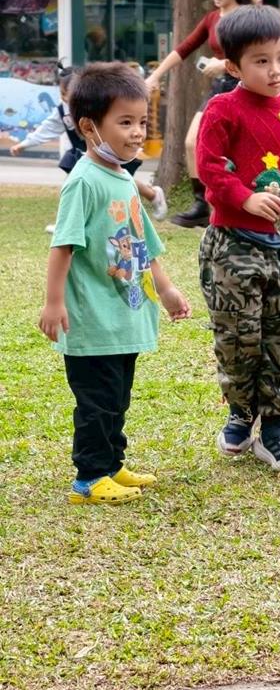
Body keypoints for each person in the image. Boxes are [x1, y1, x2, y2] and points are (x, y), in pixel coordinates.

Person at [37, 62, 191, 505]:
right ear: (89, 127)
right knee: (97, 403)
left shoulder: (122, 177)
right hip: (92, 323)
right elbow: (62, 246)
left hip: (123, 317)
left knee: (117, 399)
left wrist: (166, 290)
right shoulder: (83, 182)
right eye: (125, 122)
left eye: (142, 121)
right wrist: (53, 303)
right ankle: (89, 478)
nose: (138, 132)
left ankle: (112, 464)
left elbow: (144, 243)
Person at [194, 5, 280, 473]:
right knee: (239, 340)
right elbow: (209, 167)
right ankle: (241, 412)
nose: (275, 70)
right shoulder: (223, 109)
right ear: (233, 66)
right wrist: (245, 198)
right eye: (261, 61)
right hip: (232, 248)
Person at [144, 0, 253, 228]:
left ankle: (241, 204)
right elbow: (183, 48)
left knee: (240, 151)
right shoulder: (212, 19)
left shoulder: (250, 16)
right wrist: (156, 76)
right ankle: (202, 204)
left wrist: (225, 63)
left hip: (246, 86)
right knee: (193, 143)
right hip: (220, 88)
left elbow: (256, 54)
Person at [12, 67, 167, 231]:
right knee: (78, 183)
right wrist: (24, 144)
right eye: (62, 94)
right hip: (84, 155)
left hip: (106, 154)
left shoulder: (101, 107)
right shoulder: (62, 112)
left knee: (120, 179)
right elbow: (46, 129)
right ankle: (67, 224)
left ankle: (152, 195)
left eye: (142, 122)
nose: (65, 98)